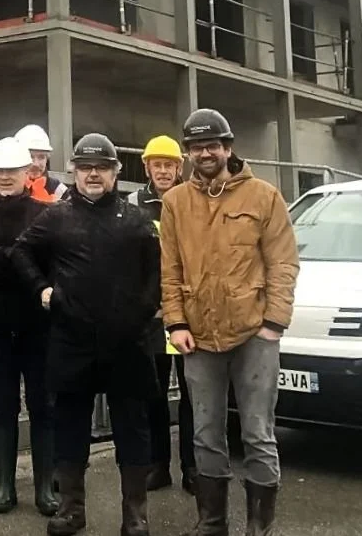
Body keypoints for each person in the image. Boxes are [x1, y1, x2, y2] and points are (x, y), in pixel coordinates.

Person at [11, 133, 160, 536]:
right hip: (71, 339)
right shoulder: (56, 217)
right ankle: (72, 509)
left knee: (133, 427)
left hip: (127, 343)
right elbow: (20, 251)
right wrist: (42, 290)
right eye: (85, 168)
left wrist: (143, 314)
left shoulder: (136, 220)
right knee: (70, 425)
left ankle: (135, 515)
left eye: (102, 168)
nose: (93, 174)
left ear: (116, 172)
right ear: (74, 171)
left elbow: (156, 273)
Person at [161, 109, 299, 536]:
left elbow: (284, 263)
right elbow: (170, 269)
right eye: (196, 147)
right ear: (188, 153)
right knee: (204, 433)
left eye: (212, 145)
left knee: (258, 433)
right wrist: (176, 323)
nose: (205, 153)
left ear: (228, 147)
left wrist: (274, 322)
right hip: (197, 337)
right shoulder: (175, 203)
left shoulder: (264, 196)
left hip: (254, 333)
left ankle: (259, 526)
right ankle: (212, 521)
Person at [0, 137, 58, 517]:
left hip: (38, 326)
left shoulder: (44, 213)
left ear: (27, 173)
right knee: (2, 406)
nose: (4, 177)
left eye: (11, 171)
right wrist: (19, 256)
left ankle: (44, 489)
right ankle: (3, 485)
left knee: (43, 405)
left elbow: (48, 265)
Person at [129, 135, 196, 496]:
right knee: (153, 392)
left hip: (185, 314)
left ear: (178, 167)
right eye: (157, 164)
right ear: (148, 167)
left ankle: (191, 467)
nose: (164, 171)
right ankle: (159, 466)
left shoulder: (192, 200)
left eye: (169, 165)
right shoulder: (134, 206)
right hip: (152, 317)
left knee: (190, 393)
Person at [15, 124, 68, 202]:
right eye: (30, 157)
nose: (36, 164)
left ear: (47, 158)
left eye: (41, 157)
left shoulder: (59, 191)